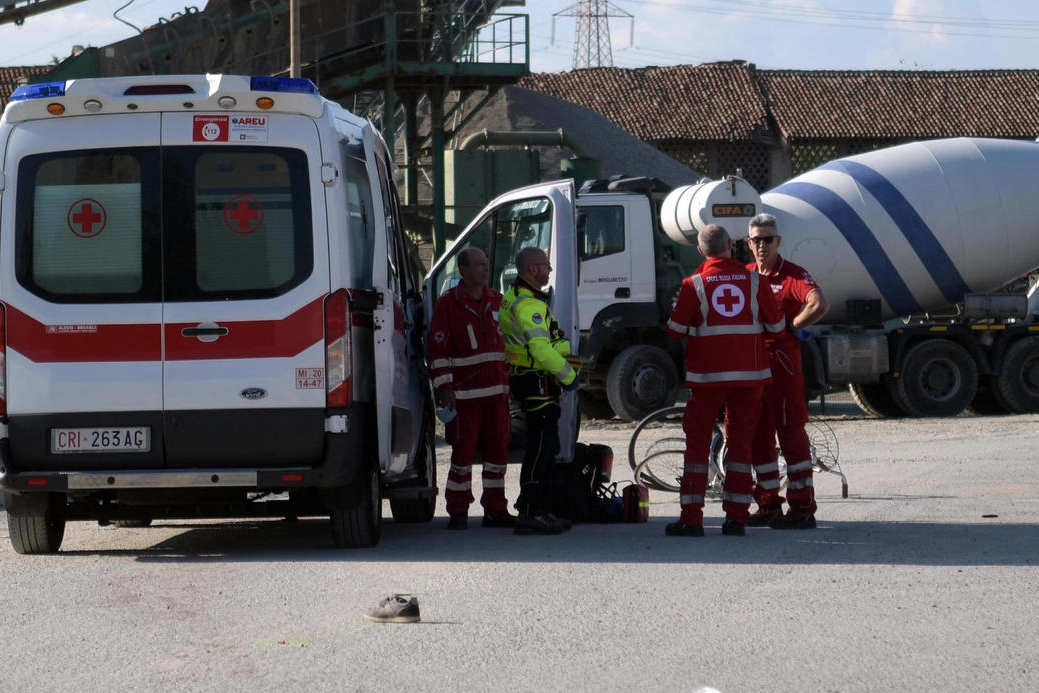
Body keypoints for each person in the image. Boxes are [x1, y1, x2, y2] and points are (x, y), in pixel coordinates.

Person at [665, 224, 786, 537]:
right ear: (731, 246)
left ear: (700, 250)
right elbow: (777, 327)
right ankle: (736, 519)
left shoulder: (694, 284)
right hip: (750, 378)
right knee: (740, 446)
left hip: (707, 379)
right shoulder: (755, 280)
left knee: (697, 447)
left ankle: (691, 519)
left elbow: (675, 330)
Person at [744, 213, 831, 529]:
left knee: (791, 435)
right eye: (757, 240)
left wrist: (790, 328)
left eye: (768, 239)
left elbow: (819, 304)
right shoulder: (746, 275)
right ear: (749, 244)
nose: (763, 245)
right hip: (752, 372)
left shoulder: (792, 274)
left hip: (782, 370)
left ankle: (802, 509)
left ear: (778, 241)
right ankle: (768, 505)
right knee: (758, 438)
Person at [428, 247, 515, 530]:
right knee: (462, 459)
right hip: (464, 399)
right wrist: (444, 389)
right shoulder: (448, 305)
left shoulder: (497, 301)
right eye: (478, 264)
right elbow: (437, 350)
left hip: (497, 397)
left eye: (487, 263)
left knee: (497, 458)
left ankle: (495, 509)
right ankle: (458, 510)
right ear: (463, 270)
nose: (484, 269)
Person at [499, 246, 579, 535]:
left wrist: (564, 351)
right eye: (546, 265)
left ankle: (538, 509)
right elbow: (540, 349)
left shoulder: (516, 297)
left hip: (528, 379)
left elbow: (547, 340)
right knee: (541, 449)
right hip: (536, 382)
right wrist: (569, 375)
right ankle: (532, 513)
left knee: (543, 446)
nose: (550, 270)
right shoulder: (530, 305)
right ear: (533, 269)